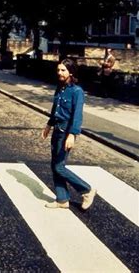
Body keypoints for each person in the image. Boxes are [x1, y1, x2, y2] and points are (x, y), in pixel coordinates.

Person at [41, 58, 96, 210]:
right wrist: (48, 125)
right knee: (55, 165)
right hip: (57, 129)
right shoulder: (60, 88)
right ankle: (62, 199)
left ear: (71, 72)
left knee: (59, 166)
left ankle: (86, 190)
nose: (59, 72)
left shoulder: (77, 91)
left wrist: (72, 135)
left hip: (66, 131)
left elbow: (77, 115)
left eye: (63, 70)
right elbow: (55, 109)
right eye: (58, 70)